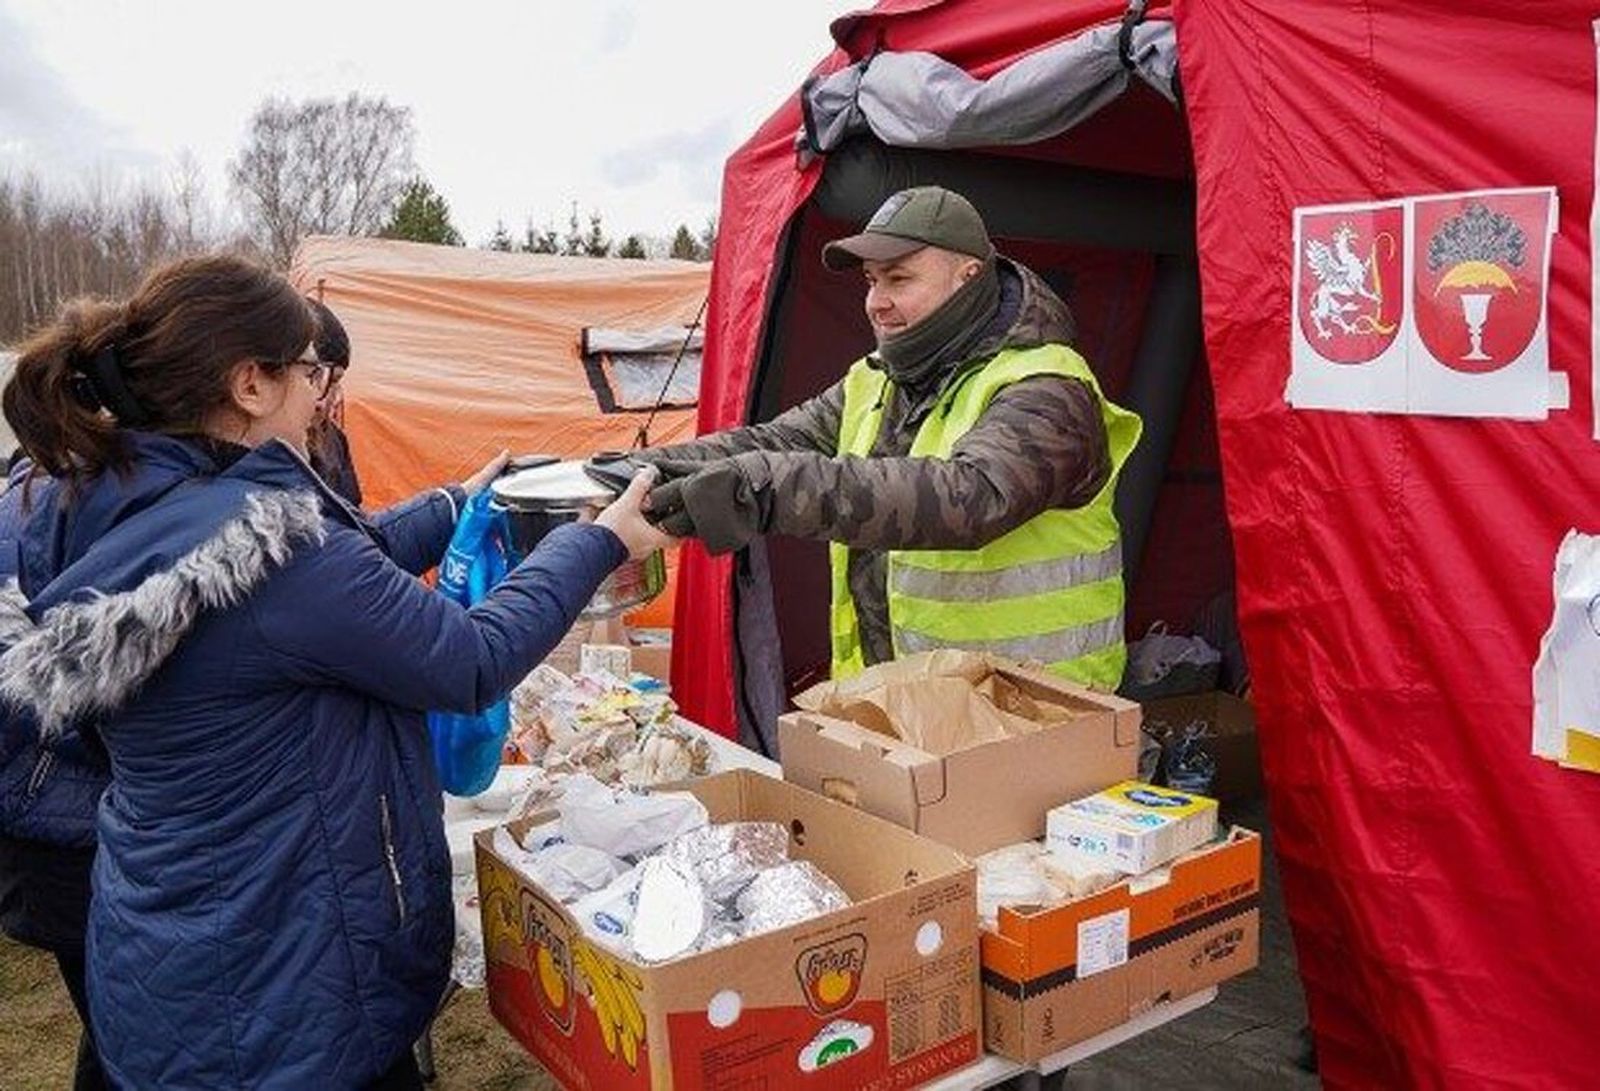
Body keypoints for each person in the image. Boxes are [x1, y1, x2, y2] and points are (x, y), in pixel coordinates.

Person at [0, 254, 672, 1090]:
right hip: (283, 990)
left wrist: (452, 504)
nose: (322, 391)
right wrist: (598, 539)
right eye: (310, 369)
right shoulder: (272, 550)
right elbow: (470, 658)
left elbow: (324, 582)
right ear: (251, 382)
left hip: (171, 958)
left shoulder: (120, 504)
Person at [643, 186, 1142, 687]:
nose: (876, 303)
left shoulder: (1048, 386)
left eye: (899, 279)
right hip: (903, 705)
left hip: (1034, 716)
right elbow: (776, 442)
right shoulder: (876, 378)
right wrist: (638, 469)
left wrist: (765, 486)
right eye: (871, 281)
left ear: (967, 278)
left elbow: (972, 498)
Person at [304, 298, 363, 506]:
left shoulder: (333, 441)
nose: (334, 398)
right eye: (314, 378)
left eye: (336, 381)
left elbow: (354, 521)